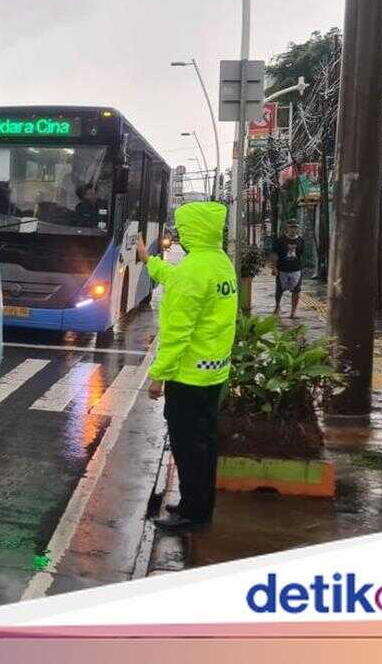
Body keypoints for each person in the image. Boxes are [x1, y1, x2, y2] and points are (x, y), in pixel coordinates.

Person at [135, 201, 237, 532]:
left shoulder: (194, 271)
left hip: (188, 376)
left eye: (182, 230)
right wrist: (148, 259)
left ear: (193, 231)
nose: (178, 236)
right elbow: (175, 276)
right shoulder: (218, 263)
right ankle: (197, 504)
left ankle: (193, 515)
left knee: (188, 446)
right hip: (213, 371)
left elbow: (177, 336)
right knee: (203, 443)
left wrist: (157, 377)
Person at [271, 219, 305, 319]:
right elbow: (274, 254)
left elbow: (300, 254)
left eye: (295, 227)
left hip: (296, 269)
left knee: (296, 291)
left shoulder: (301, 241)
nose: (293, 230)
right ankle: (277, 307)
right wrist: (274, 267)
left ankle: (293, 312)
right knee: (279, 290)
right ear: (287, 228)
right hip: (282, 269)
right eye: (291, 227)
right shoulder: (280, 240)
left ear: (298, 228)